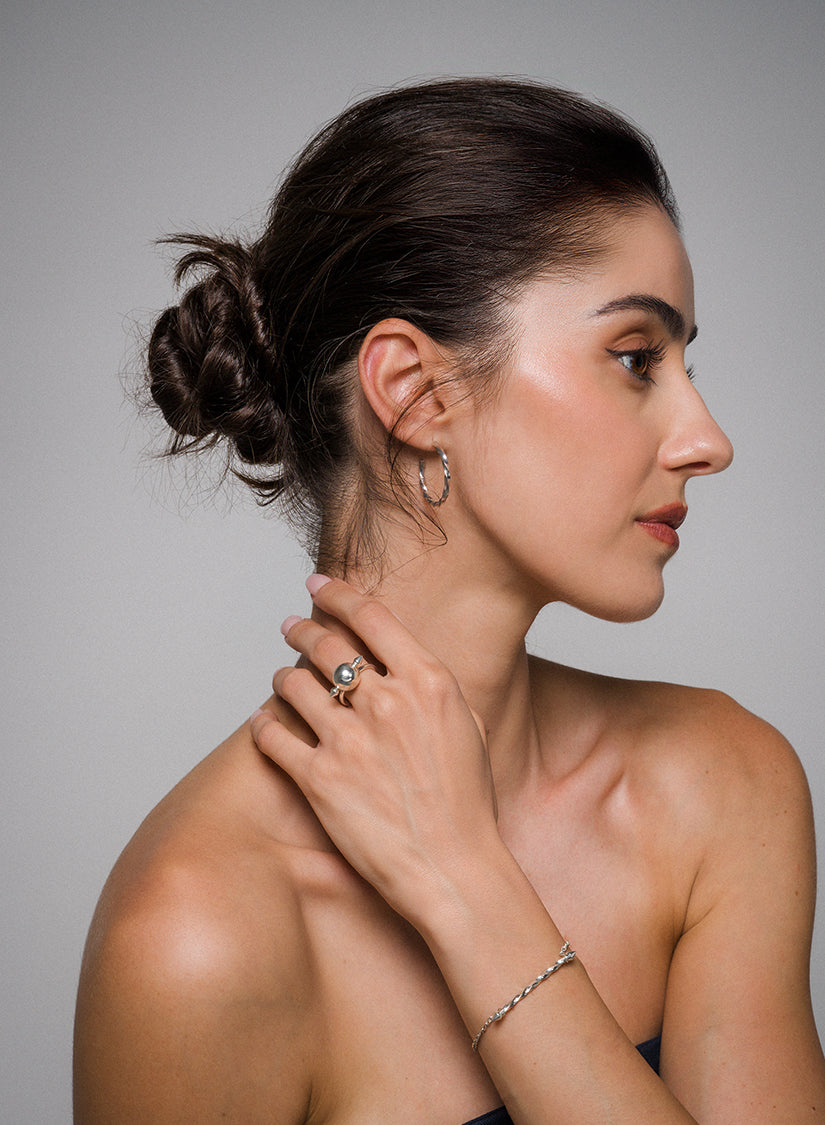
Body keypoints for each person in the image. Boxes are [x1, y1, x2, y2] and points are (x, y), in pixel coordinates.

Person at [73, 78, 824, 1123]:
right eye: (636, 359)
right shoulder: (197, 938)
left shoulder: (721, 790)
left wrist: (472, 890)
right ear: (418, 395)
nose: (708, 439)